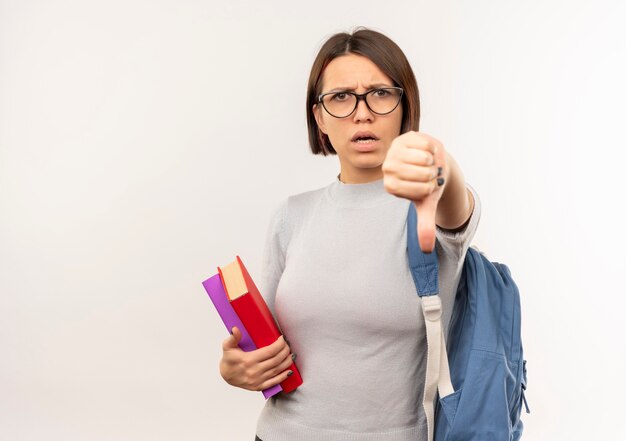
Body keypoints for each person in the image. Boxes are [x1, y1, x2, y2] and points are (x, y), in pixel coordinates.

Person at [219, 26, 481, 441]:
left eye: (380, 93)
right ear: (319, 116)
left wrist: (439, 166)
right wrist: (236, 368)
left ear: (403, 105)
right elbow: (261, 348)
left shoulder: (432, 204)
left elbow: (453, 196)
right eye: (340, 97)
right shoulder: (291, 216)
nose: (362, 113)